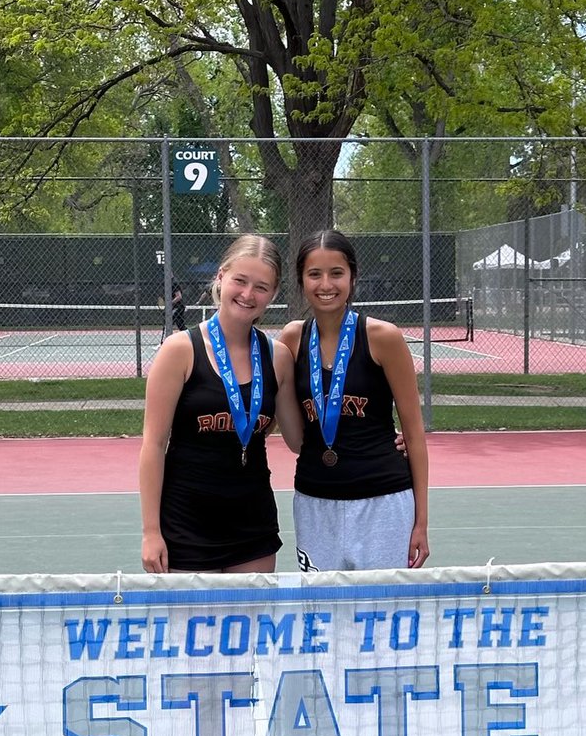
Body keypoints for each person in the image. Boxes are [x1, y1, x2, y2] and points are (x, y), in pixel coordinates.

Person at [139, 235, 302, 573]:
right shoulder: (179, 350)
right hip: (186, 524)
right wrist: (151, 532)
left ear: (273, 294)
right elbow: (153, 445)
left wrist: (383, 437)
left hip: (252, 525)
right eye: (240, 280)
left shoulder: (279, 357)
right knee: (188, 627)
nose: (247, 294)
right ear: (221, 277)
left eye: (261, 286)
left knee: (252, 625)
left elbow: (299, 439)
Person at [279, 229, 430, 571]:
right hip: (315, 500)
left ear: (352, 277)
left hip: (383, 501)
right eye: (314, 274)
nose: (325, 284)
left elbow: (415, 434)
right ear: (301, 280)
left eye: (336, 273)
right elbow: (274, 415)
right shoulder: (291, 339)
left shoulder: (383, 337)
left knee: (382, 612)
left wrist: (421, 522)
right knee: (321, 611)